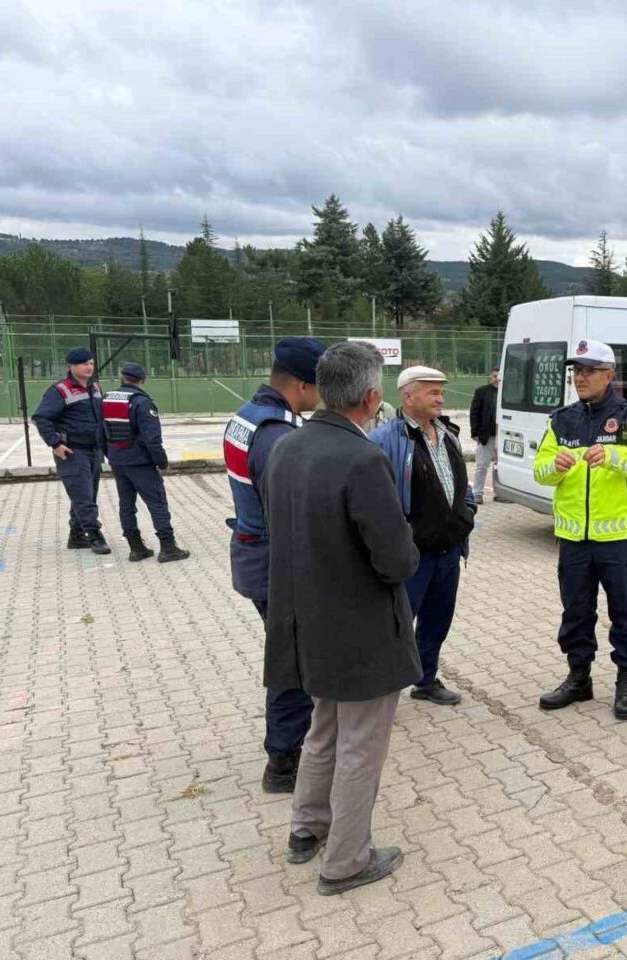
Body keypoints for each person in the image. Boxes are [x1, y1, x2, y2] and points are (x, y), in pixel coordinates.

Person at [261, 341, 420, 895]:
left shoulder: (287, 446)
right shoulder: (362, 458)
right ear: (373, 397)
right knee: (360, 745)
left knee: (322, 730)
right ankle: (347, 860)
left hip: (309, 622)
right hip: (361, 631)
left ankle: (307, 829)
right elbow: (396, 559)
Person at [533, 339, 627, 720]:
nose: (580, 378)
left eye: (589, 371)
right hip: (574, 540)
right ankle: (579, 679)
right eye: (576, 371)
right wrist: (553, 467)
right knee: (575, 612)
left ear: (609, 375)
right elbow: (540, 471)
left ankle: (626, 683)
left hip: (619, 540)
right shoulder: (561, 420)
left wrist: (614, 456)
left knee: (625, 613)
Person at [223, 336, 326, 794]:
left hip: (253, 553)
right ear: (302, 385)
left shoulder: (248, 417)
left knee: (293, 657)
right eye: (319, 385)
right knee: (294, 663)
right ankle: (284, 762)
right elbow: (290, 514)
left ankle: (292, 747)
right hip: (275, 564)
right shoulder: (278, 436)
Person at [370, 365, 477, 707]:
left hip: (449, 551)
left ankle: (425, 680)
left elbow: (461, 482)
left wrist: (468, 511)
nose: (440, 398)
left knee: (437, 620)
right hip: (412, 555)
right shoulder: (385, 440)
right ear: (408, 396)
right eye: (433, 392)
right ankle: (381, 690)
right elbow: (376, 501)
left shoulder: (447, 433)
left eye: (441, 392)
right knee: (397, 625)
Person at [101, 361, 190, 563]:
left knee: (126, 504)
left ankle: (136, 548)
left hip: (117, 460)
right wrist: (161, 461)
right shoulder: (142, 402)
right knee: (157, 503)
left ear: (121, 377)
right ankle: (168, 547)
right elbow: (152, 439)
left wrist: (109, 455)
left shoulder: (107, 400)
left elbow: (100, 432)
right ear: (142, 380)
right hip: (140, 462)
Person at [32, 346, 110, 554]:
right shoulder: (60, 390)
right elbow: (41, 418)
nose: (89, 367)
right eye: (84, 363)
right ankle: (94, 535)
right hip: (72, 451)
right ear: (72, 366)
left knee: (87, 495)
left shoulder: (95, 387)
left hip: (94, 449)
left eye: (91, 363)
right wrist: (55, 444)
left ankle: (76, 536)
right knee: (83, 496)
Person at [469, 367, 499, 504]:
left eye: (499, 376)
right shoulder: (482, 391)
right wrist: (475, 432)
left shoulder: (510, 392)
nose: (497, 379)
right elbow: (474, 413)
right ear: (490, 377)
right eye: (494, 376)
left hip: (503, 437)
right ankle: (477, 493)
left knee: (499, 466)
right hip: (487, 436)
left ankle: (499, 492)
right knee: (481, 466)